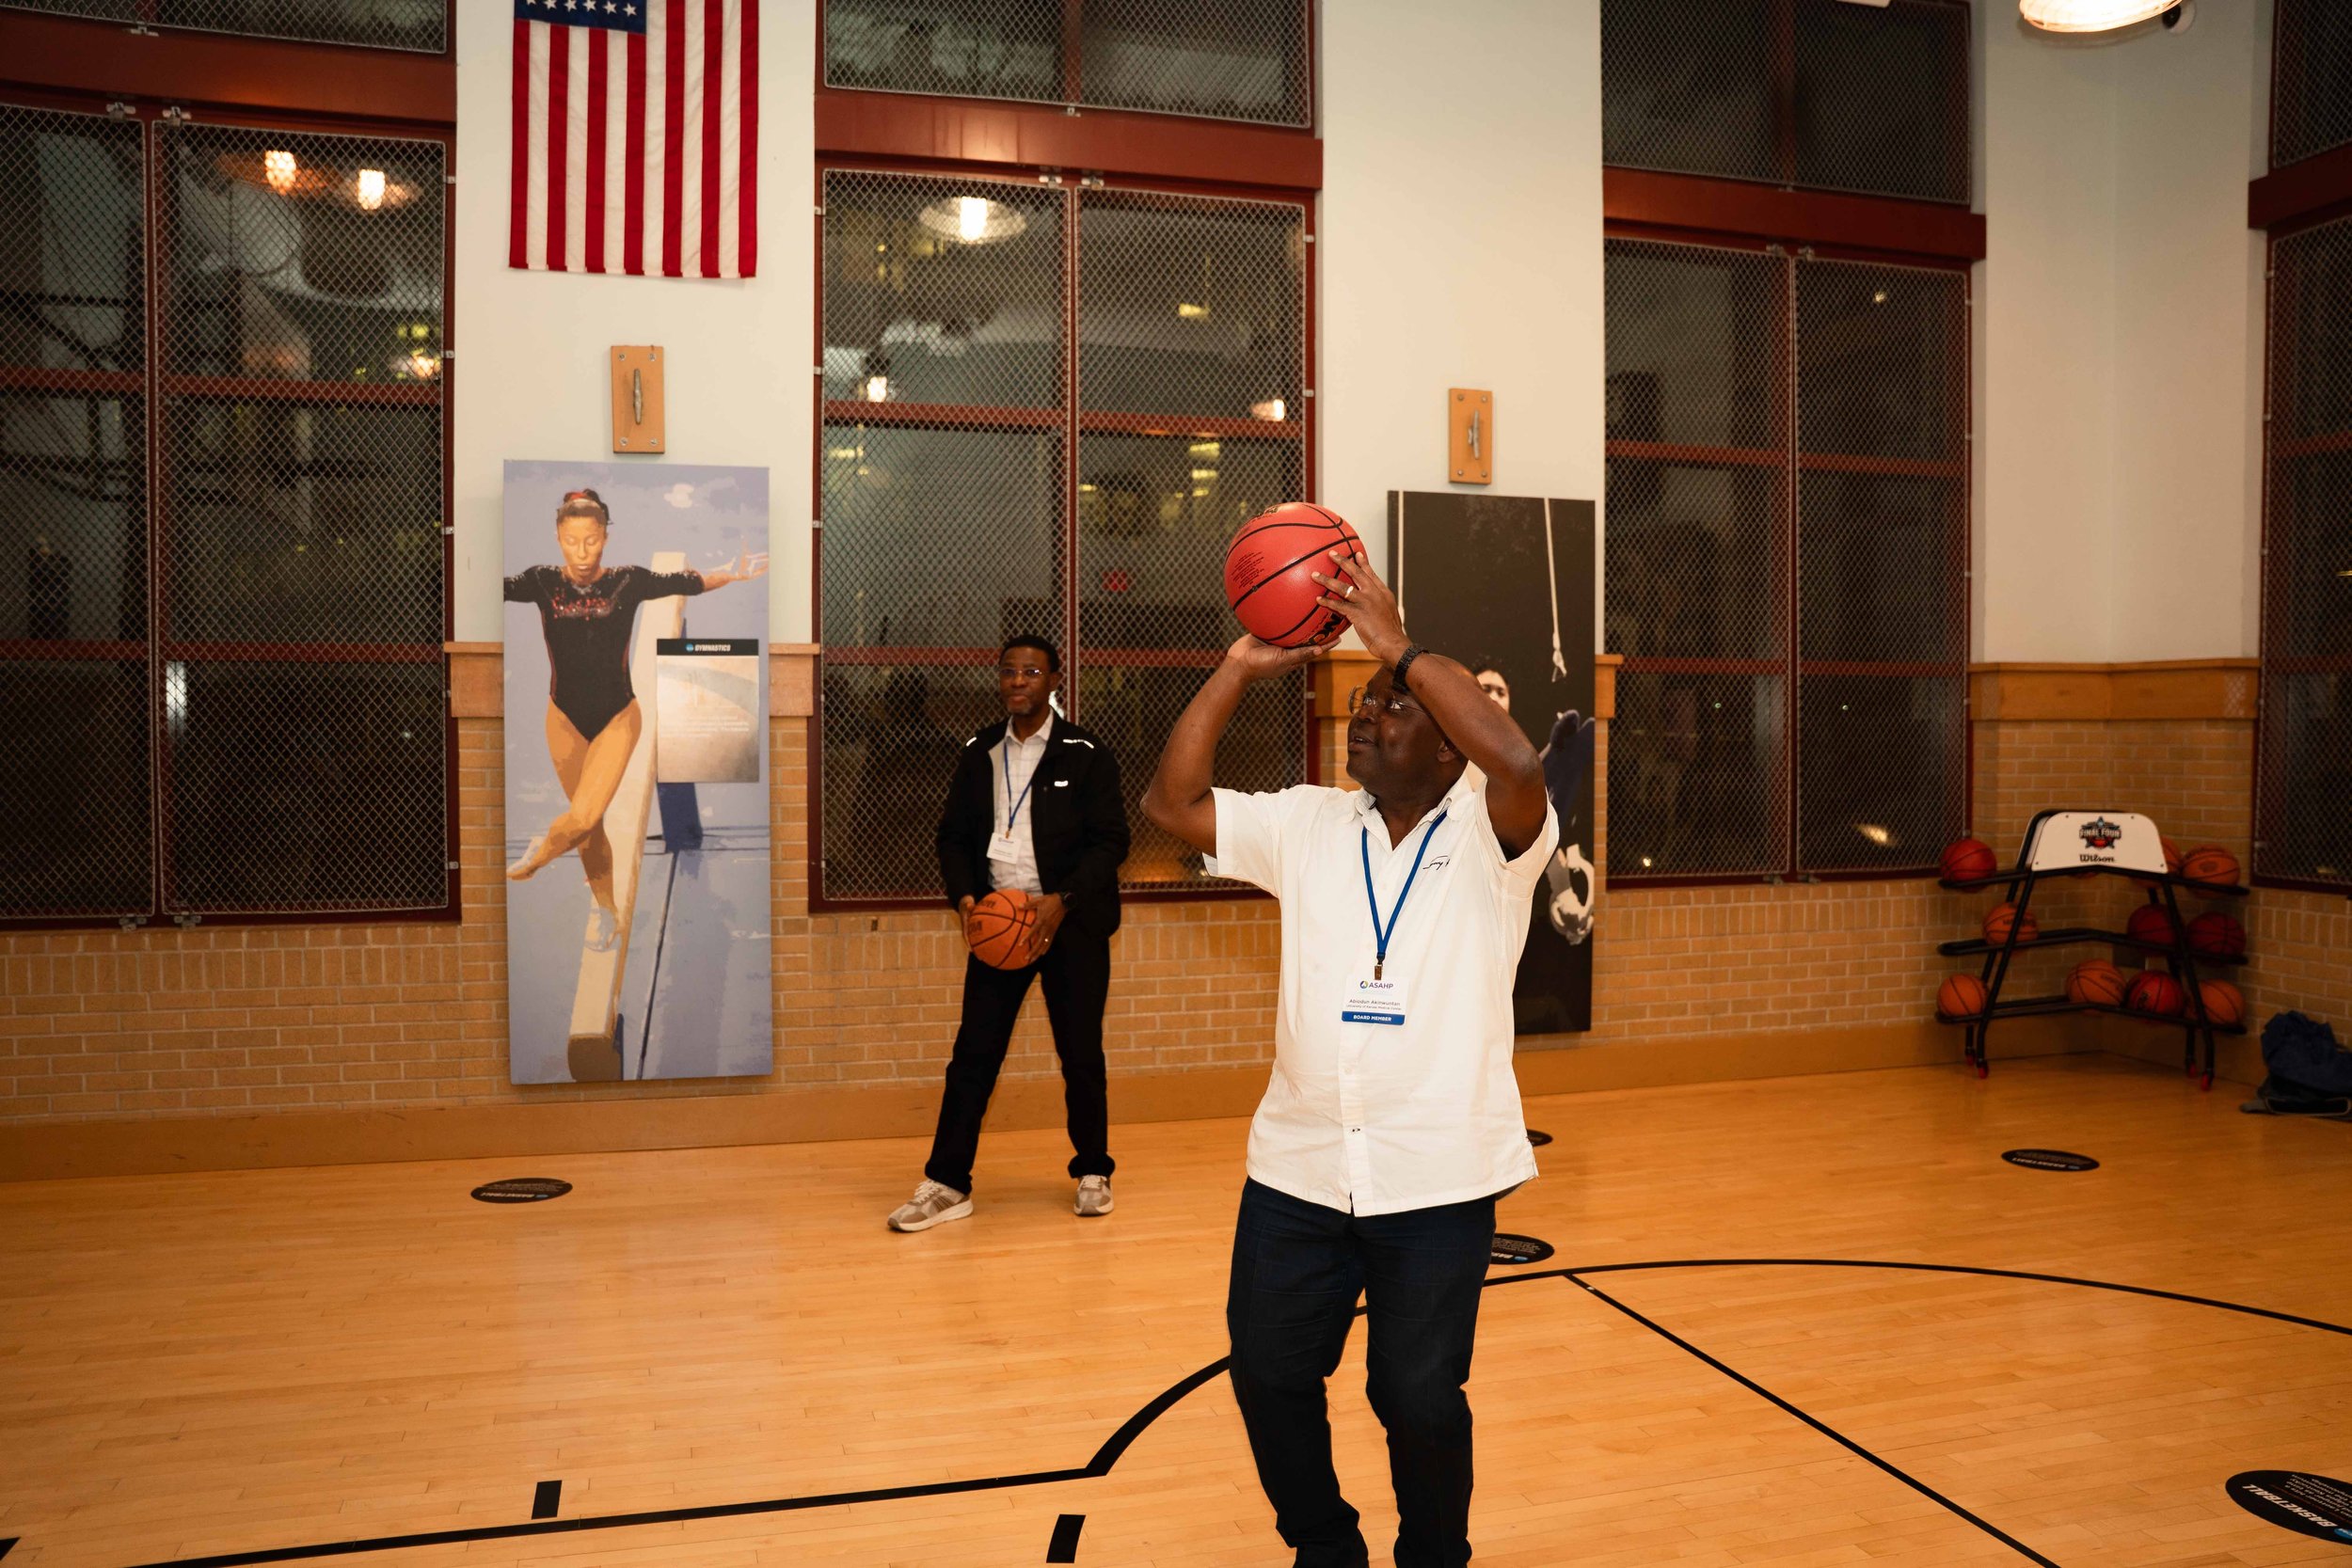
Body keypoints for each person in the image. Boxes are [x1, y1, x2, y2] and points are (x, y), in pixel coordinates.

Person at [1140, 547, 1556, 1568]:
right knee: (1269, 1372)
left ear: (1446, 743)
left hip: (1436, 1175)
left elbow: (1517, 761)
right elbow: (1172, 802)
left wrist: (1398, 646)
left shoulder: (1496, 838)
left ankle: (1433, 1554)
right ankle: (1325, 1546)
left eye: (1392, 706)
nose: (1365, 717)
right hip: (1299, 1168)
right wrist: (1238, 667)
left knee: (1412, 1392)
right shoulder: (1310, 823)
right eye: (1361, 706)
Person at [887, 635, 1132, 1232]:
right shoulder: (978, 751)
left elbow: (1113, 841)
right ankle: (947, 1183)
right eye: (1008, 672)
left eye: (1031, 672)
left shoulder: (1086, 752)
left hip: (1068, 925)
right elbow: (950, 836)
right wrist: (966, 896)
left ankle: (1093, 1171)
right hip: (1000, 927)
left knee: (1080, 1053)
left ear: (1054, 682)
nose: (1018, 681)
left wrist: (1063, 899)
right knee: (973, 1055)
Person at [503, 487, 767, 951]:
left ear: (605, 535)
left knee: (582, 814)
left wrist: (733, 574)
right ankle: (608, 912)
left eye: (591, 540)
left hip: (617, 717)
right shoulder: (541, 580)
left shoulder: (628, 580)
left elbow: (688, 581)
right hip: (562, 716)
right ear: (557, 537)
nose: (582, 553)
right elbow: (489, 585)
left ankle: (539, 853)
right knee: (589, 828)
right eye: (571, 541)